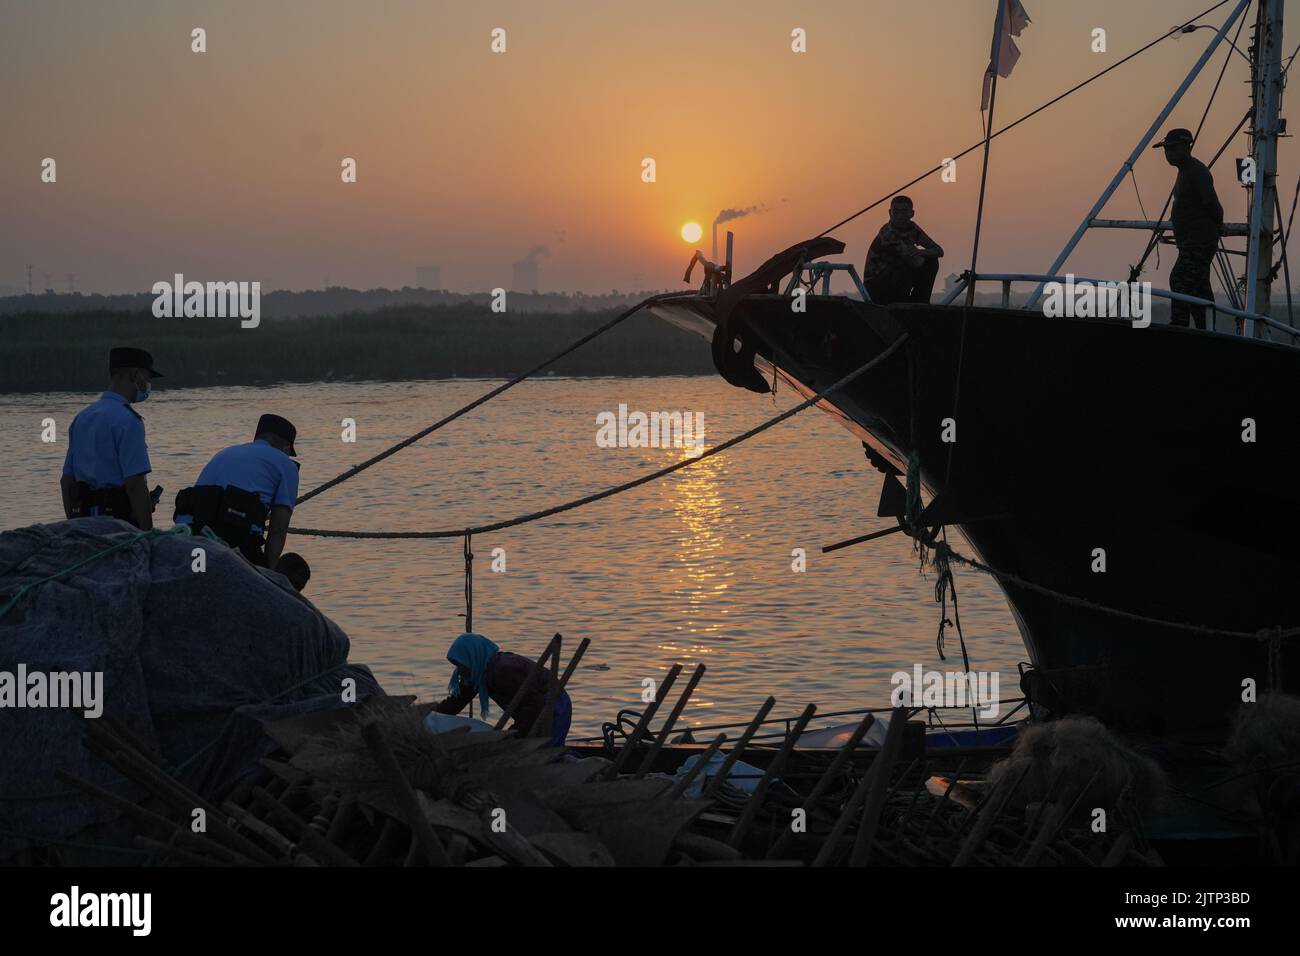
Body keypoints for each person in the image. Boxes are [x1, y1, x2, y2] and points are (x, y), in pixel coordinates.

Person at [173, 414, 300, 569]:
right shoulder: (285, 464)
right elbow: (279, 528)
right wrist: (269, 576)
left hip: (187, 539)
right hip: (231, 544)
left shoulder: (225, 453)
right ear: (286, 447)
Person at [60, 346, 163, 529]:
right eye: (147, 378)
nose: (148, 384)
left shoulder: (82, 418)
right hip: (119, 525)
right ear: (136, 375)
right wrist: (148, 534)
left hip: (85, 524)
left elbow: (67, 481)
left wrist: (74, 525)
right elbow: (135, 485)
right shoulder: (129, 421)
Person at [434, 632, 572, 747]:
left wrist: (514, 735)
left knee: (548, 751)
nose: (460, 671)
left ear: (473, 657)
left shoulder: (502, 670)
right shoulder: (477, 673)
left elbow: (533, 703)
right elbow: (456, 702)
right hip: (533, 709)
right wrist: (428, 716)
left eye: (461, 665)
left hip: (553, 705)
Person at [1154, 127, 1223, 330]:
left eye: (1173, 148)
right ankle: (1206, 328)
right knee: (1199, 288)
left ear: (1186, 147)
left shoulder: (1196, 171)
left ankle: (1179, 325)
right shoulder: (1185, 172)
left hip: (1199, 241)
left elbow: (1211, 203)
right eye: (1166, 150)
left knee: (1180, 279)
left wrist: (1215, 228)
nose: (1168, 154)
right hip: (1190, 241)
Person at [863, 195, 944, 305]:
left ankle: (920, 302)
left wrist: (919, 252)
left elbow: (938, 251)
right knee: (905, 265)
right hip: (876, 284)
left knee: (932, 261)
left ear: (912, 214)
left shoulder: (913, 228)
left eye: (904, 212)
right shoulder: (888, 233)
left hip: (895, 278)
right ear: (890, 213)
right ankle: (904, 303)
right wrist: (919, 254)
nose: (900, 216)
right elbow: (914, 262)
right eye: (896, 212)